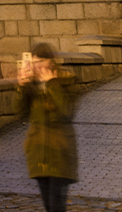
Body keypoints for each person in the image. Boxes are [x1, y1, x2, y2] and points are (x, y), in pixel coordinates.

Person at [19, 43, 78, 212]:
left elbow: (67, 112)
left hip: (60, 153)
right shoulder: (32, 85)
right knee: (49, 206)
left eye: (41, 61)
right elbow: (19, 112)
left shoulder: (67, 80)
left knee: (56, 207)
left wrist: (51, 84)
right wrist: (21, 88)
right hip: (38, 154)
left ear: (51, 61)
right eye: (34, 61)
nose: (37, 66)